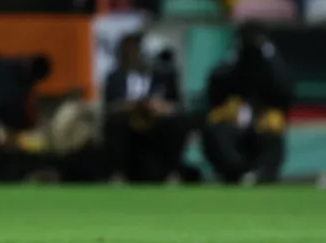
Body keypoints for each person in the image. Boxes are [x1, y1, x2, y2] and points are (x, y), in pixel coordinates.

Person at [202, 25, 292, 184]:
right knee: (218, 131)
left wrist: (270, 55)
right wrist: (234, 58)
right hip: (234, 114)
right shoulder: (233, 59)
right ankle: (234, 173)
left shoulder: (270, 61)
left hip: (263, 113)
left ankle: (262, 174)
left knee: (272, 129)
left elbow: (285, 90)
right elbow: (215, 89)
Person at [102, 33, 190, 183]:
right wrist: (126, 106)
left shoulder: (166, 77)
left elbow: (176, 104)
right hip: (127, 120)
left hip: (158, 121)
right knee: (114, 123)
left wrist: (162, 107)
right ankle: (117, 174)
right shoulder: (115, 77)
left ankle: (172, 173)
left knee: (177, 123)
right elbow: (108, 105)